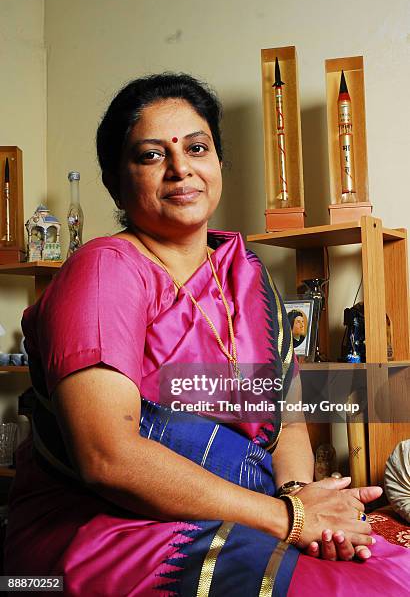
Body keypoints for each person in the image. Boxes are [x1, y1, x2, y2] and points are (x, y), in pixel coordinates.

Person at [5, 73, 410, 596]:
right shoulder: (105, 272)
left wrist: (297, 497)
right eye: (151, 155)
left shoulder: (245, 275)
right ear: (113, 180)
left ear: (218, 163)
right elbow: (107, 456)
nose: (181, 169)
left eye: (197, 148)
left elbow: (286, 427)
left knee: (390, 569)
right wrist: (288, 517)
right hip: (109, 531)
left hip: (242, 513)